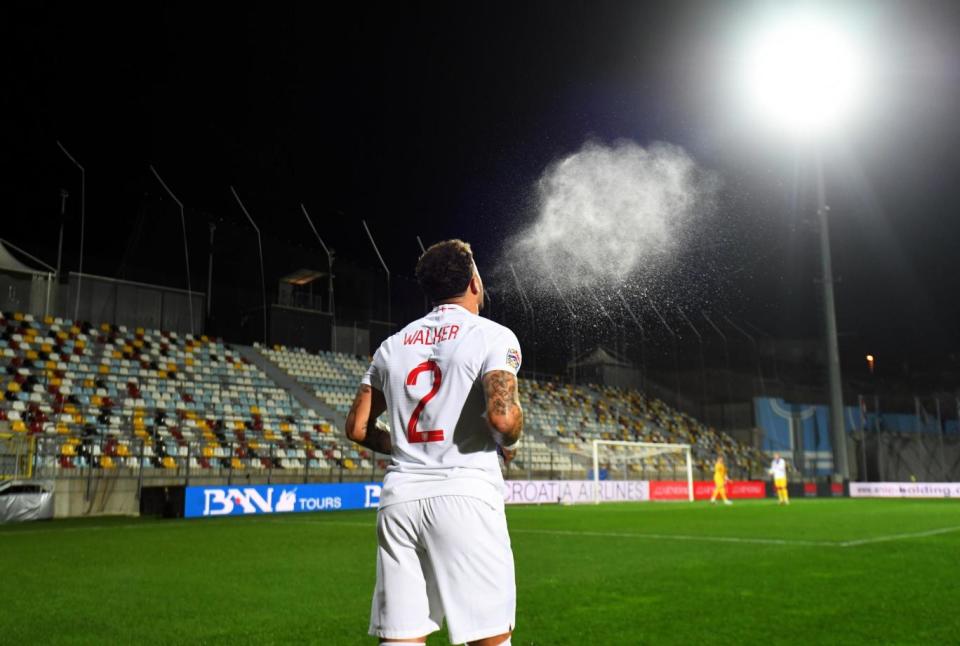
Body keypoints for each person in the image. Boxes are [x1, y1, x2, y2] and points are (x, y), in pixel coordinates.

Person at [345, 239, 523, 646]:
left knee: (402, 639)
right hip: (465, 497)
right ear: (474, 282)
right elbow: (503, 418)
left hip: (400, 501)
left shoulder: (391, 346)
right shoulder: (493, 335)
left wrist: (406, 447)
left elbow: (357, 428)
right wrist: (509, 434)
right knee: (488, 639)